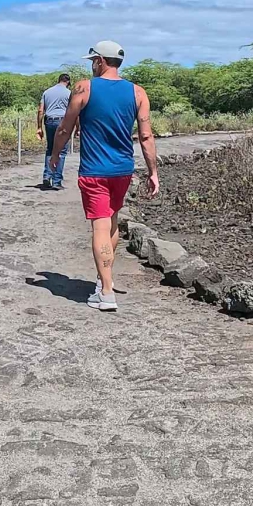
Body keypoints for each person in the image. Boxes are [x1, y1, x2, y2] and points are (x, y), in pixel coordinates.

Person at [49, 40, 159, 311]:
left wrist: (54, 155)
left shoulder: (84, 87)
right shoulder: (138, 92)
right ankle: (103, 279)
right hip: (122, 170)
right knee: (111, 223)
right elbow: (145, 136)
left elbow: (65, 127)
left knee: (99, 227)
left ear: (100, 60)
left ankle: (106, 292)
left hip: (94, 171)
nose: (92, 65)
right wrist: (153, 171)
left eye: (93, 61)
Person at [37, 72, 73, 189]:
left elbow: (41, 111)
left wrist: (39, 127)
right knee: (61, 151)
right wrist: (77, 127)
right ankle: (57, 181)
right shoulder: (69, 93)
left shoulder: (47, 92)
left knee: (50, 149)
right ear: (67, 82)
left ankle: (47, 176)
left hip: (49, 121)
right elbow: (73, 111)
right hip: (62, 122)